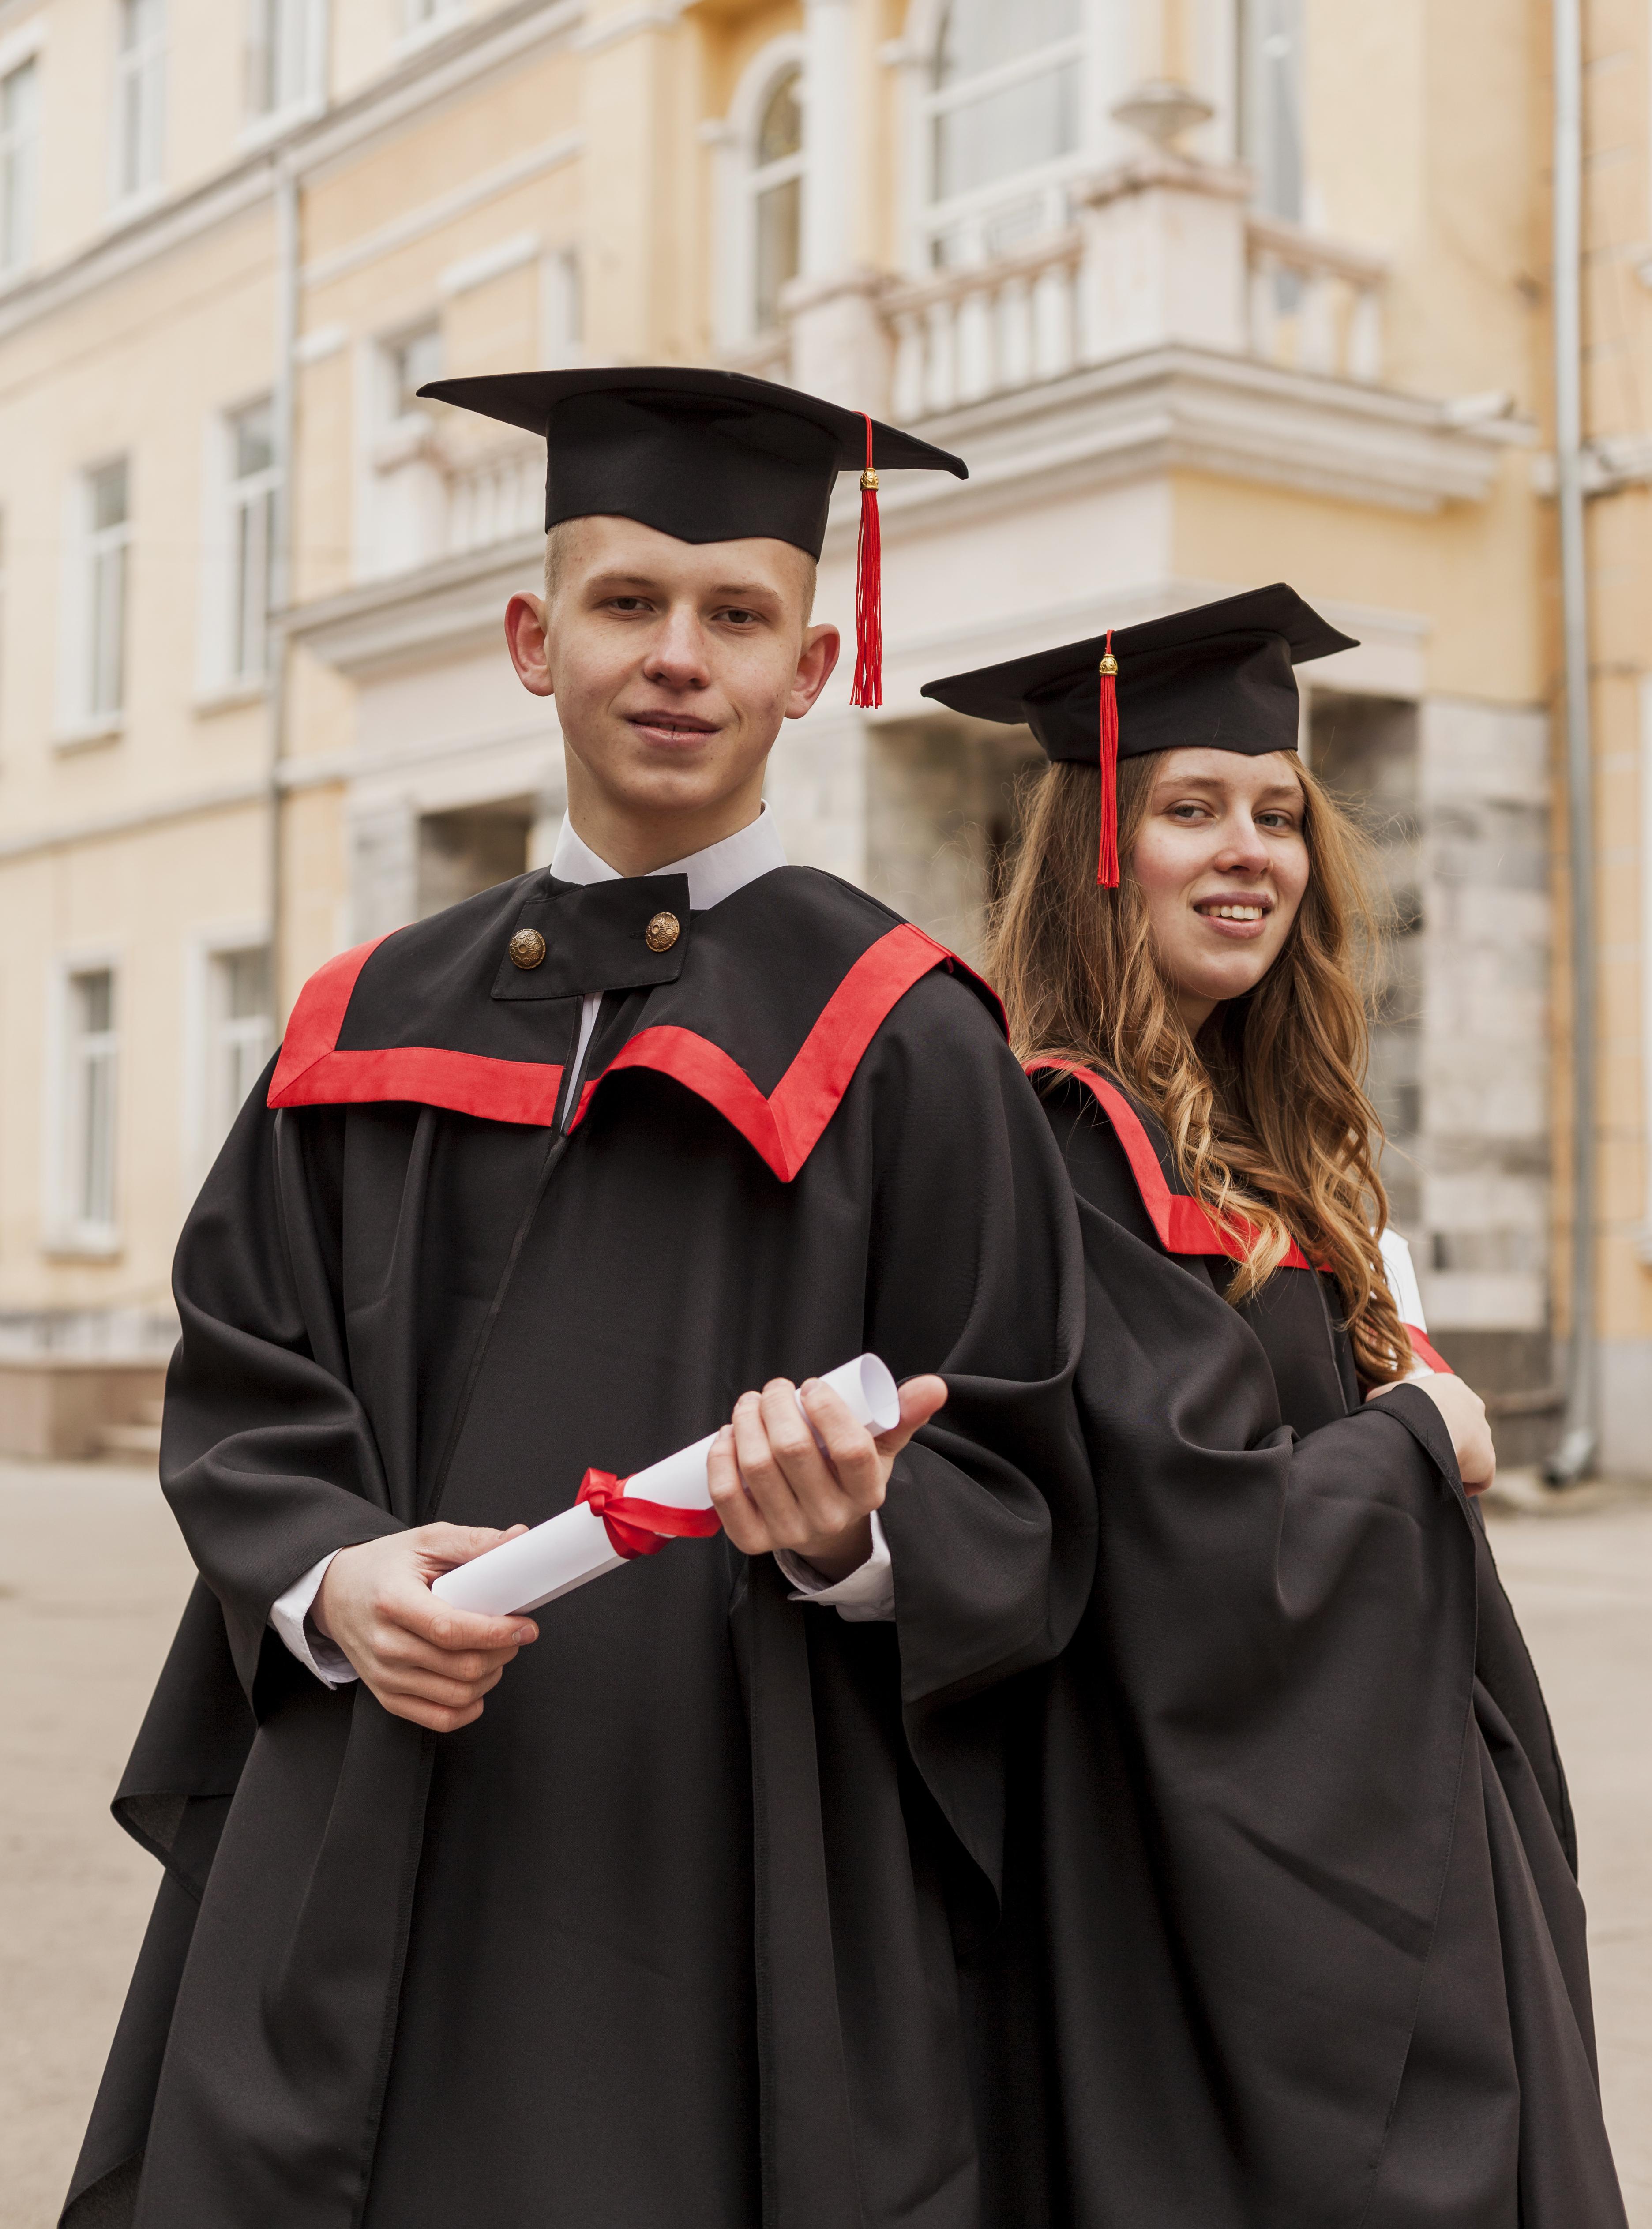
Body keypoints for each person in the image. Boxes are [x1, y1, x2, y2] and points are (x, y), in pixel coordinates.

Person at [63, 368, 1104, 2229]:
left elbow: (1026, 1473)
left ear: (816, 656)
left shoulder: (914, 1043)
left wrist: (863, 1542)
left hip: (715, 1864)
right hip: (367, 1820)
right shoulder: (359, 1021)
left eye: (736, 614)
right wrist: (330, 1579)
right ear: (535, 639)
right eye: (628, 604)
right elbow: (247, 1377)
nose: (679, 657)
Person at [923, 586, 1628, 2228]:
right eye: (1190, 810)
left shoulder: (1249, 1135)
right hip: (1223, 1864)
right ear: (1100, 846)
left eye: (1279, 813)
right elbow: (1180, 1533)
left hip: (1384, 1790)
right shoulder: (1069, 1145)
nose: (1249, 850)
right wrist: (1419, 1438)